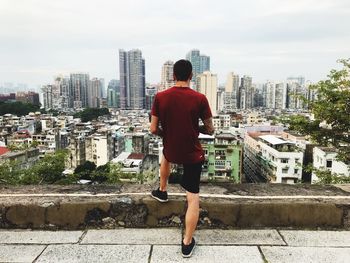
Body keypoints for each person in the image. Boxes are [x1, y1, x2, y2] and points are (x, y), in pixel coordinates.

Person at [149, 59, 214, 258]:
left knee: (166, 155)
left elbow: (153, 129)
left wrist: (167, 134)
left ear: (173, 76)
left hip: (172, 149)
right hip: (192, 153)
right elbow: (210, 129)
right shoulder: (200, 98)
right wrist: (196, 129)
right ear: (191, 76)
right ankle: (187, 243)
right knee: (193, 197)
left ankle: (162, 190)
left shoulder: (160, 97)